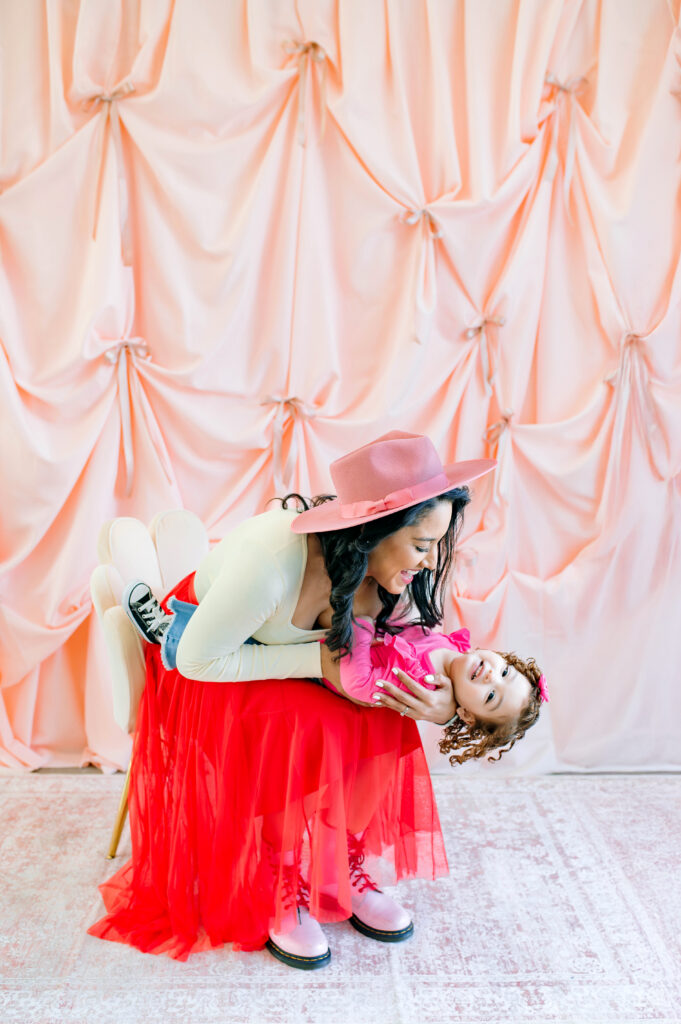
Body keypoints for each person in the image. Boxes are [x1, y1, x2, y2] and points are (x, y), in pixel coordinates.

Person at [89, 431, 495, 969]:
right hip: (206, 657)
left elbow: (411, 657)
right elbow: (201, 663)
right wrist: (316, 664)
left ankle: (342, 863)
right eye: (422, 545)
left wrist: (442, 704)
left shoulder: (389, 576)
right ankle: (279, 878)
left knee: (382, 713)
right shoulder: (271, 562)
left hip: (278, 659)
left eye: (436, 544)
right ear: (372, 530)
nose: (429, 560)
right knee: (300, 724)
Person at [320, 617, 548, 764]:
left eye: (490, 696)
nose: (492, 677)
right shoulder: (453, 648)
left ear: (467, 714)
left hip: (330, 657)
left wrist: (362, 624)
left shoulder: (424, 683)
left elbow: (359, 684)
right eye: (505, 673)